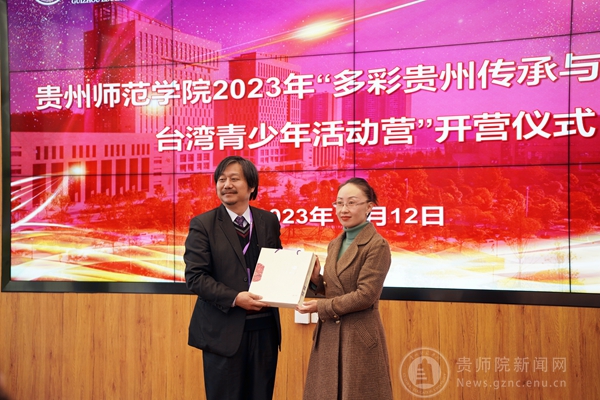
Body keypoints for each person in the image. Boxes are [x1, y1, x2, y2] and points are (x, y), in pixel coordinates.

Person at [184, 156, 282, 400]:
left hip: (264, 331)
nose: (226, 184)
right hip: (223, 333)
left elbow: (277, 265)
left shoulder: (268, 220)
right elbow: (195, 277)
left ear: (251, 186)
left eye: (234, 179)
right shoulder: (203, 224)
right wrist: (236, 298)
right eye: (221, 179)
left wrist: (306, 274)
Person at [297, 177, 393, 400]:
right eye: (339, 203)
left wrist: (321, 307)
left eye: (351, 203)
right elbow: (336, 287)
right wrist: (316, 279)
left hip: (358, 335)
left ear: (369, 207)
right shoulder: (335, 243)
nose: (343, 209)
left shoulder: (377, 245)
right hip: (329, 334)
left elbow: (366, 295)